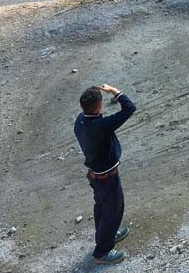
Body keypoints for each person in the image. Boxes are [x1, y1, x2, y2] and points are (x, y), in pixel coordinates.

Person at [74, 84, 137, 265]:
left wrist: (94, 92)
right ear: (100, 106)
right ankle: (102, 252)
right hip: (107, 178)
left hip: (95, 175)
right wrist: (115, 91)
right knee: (113, 211)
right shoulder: (101, 125)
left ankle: (107, 235)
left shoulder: (80, 121)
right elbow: (129, 108)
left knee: (102, 209)